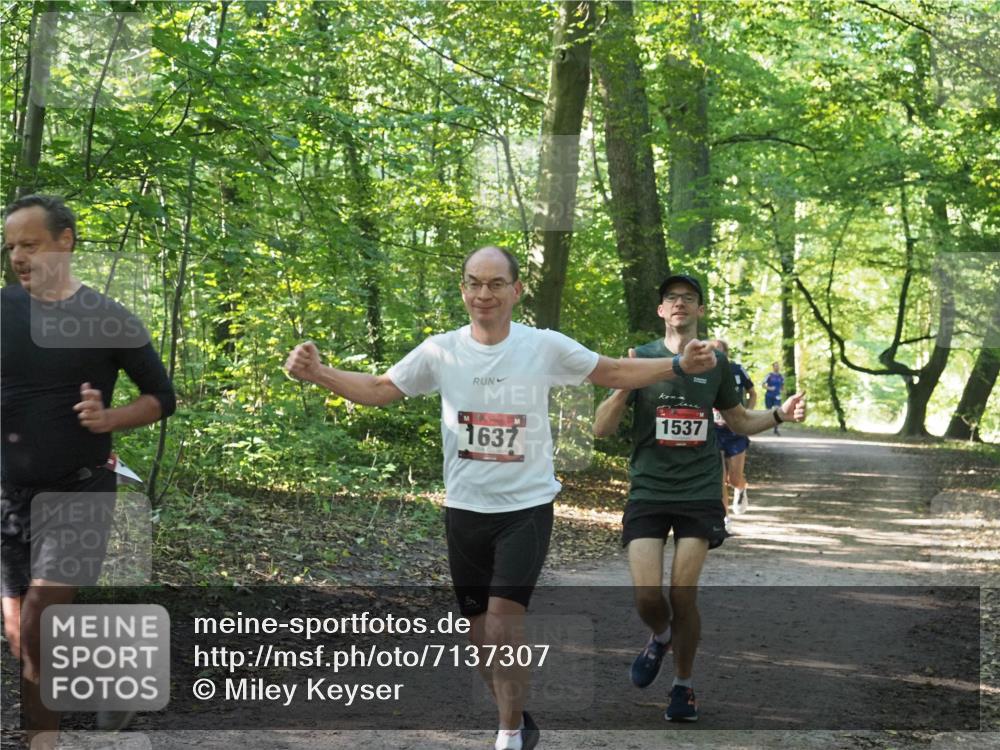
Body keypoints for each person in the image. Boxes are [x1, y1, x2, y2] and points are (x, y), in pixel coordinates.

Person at [285, 246, 718, 750]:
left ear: (516, 290)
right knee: (480, 639)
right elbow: (381, 388)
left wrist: (677, 365)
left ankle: (508, 735)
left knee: (503, 626)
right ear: (463, 289)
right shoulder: (441, 351)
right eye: (474, 283)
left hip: (525, 510)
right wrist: (319, 374)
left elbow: (614, 372)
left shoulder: (543, 346)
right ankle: (518, 718)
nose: (483, 294)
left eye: (495, 284)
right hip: (465, 512)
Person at [1, 195, 176, 748]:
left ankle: (41, 743)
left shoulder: (108, 317)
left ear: (66, 241)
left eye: (30, 244)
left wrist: (109, 419)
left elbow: (161, 397)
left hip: (79, 490)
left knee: (38, 619)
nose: (18, 256)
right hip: (9, 497)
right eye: (11, 246)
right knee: (21, 637)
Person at [593, 274, 806, 723]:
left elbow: (739, 421)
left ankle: (683, 685)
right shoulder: (640, 358)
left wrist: (778, 414)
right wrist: (625, 383)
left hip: (699, 491)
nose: (679, 304)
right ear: (660, 310)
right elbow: (601, 428)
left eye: (688, 298)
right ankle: (661, 635)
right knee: (647, 596)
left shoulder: (717, 363)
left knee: (682, 592)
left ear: (700, 310)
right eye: (671, 298)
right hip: (649, 489)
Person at [711, 340, 756, 518]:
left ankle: (741, 488)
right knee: (720, 479)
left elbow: (752, 393)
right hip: (715, 430)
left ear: (726, 353)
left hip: (736, 430)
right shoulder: (705, 371)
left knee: (734, 479)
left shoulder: (737, 370)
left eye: (718, 351)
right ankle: (725, 518)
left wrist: (747, 413)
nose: (715, 354)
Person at [763, 362, 785, 435]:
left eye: (778, 366)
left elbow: (782, 386)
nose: (777, 367)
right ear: (773, 367)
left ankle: (776, 428)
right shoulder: (769, 375)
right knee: (769, 412)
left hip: (777, 396)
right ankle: (766, 426)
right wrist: (769, 388)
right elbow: (763, 384)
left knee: (777, 411)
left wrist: (782, 391)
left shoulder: (781, 376)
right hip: (769, 395)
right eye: (775, 366)